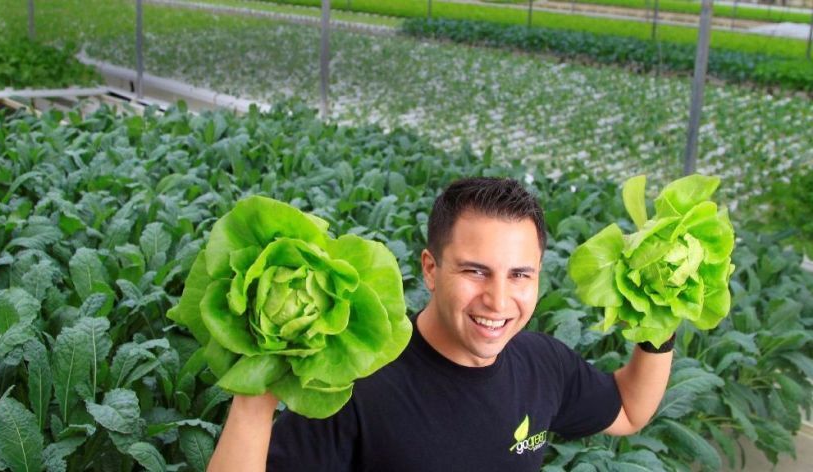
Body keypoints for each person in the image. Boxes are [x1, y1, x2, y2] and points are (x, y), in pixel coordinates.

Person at [207, 177, 674, 471]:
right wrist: (257, 390)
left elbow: (630, 412)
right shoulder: (357, 385)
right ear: (431, 269)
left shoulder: (543, 363)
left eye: (519, 275)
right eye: (475, 271)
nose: (498, 300)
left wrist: (660, 315)